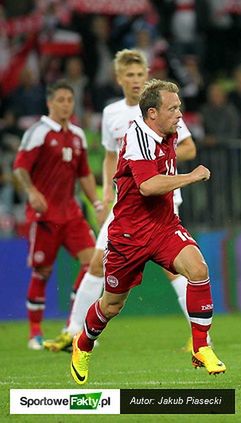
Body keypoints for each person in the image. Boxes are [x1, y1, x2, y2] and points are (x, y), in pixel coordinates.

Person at [70, 79, 225, 385]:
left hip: (164, 226)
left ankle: (201, 346)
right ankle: (83, 344)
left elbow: (184, 149)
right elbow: (147, 185)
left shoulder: (171, 130)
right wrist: (190, 177)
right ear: (152, 113)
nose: (180, 113)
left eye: (179, 106)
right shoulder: (137, 134)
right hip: (129, 236)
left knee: (198, 269)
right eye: (173, 108)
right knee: (112, 304)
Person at [43, 49, 199, 353]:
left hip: (159, 198)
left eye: (141, 74)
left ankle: (199, 334)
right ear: (119, 79)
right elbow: (111, 157)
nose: (136, 80)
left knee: (175, 268)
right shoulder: (112, 114)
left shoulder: (162, 109)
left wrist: (149, 163)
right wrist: (105, 195)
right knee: (98, 263)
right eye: (130, 75)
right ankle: (73, 332)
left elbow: (189, 148)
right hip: (124, 204)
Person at [13, 80, 100, 350]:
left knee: (94, 264)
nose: (65, 104)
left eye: (69, 100)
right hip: (45, 216)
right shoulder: (38, 132)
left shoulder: (77, 135)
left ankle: (72, 327)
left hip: (72, 214)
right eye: (60, 100)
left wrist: (96, 202)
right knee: (42, 272)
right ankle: (35, 334)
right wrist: (31, 192)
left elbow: (84, 173)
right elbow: (19, 167)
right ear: (50, 103)